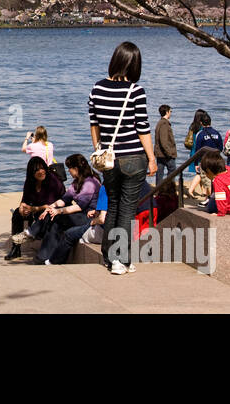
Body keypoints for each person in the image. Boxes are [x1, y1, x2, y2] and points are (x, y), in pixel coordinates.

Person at [90, 41, 157, 274]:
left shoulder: (96, 89)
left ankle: (109, 257)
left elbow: (94, 126)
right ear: (134, 64)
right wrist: (152, 157)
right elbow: (143, 128)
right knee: (128, 209)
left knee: (113, 204)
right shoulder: (135, 91)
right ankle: (121, 260)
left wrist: (100, 151)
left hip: (108, 159)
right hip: (133, 157)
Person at [33, 154, 103, 265]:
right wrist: (51, 207)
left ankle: (43, 253)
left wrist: (59, 211)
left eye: (69, 168)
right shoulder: (76, 182)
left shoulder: (90, 182)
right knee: (53, 217)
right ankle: (43, 254)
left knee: (58, 219)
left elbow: (80, 206)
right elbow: (65, 199)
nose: (68, 171)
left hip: (89, 216)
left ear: (76, 168)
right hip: (81, 214)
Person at [4, 155, 65, 260]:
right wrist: (23, 208)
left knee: (43, 214)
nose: (41, 172)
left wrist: (33, 209)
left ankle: (33, 235)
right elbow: (25, 200)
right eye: (37, 170)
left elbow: (49, 206)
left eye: (42, 168)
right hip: (37, 211)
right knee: (17, 214)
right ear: (32, 173)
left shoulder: (53, 181)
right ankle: (16, 249)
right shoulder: (30, 182)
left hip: (53, 213)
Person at [201, 151, 230, 216]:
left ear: (209, 170)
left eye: (205, 172)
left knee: (211, 204)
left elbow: (221, 199)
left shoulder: (218, 181)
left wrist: (221, 213)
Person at [154, 105, 178, 186]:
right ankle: (168, 187)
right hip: (165, 154)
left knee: (160, 171)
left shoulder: (160, 123)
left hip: (160, 153)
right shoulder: (164, 124)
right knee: (172, 170)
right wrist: (169, 153)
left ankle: (158, 188)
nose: (170, 113)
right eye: (170, 111)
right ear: (167, 112)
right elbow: (163, 141)